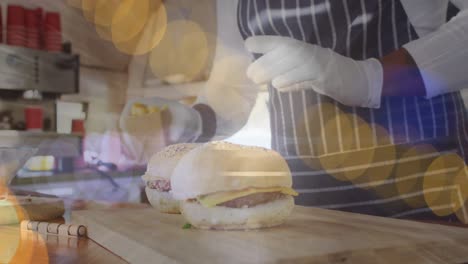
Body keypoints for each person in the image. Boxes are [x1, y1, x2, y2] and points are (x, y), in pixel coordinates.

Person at [121, 0, 468, 222]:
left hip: (423, 190)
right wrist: (193, 121)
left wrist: (367, 78)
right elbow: (235, 83)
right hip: (308, 205)